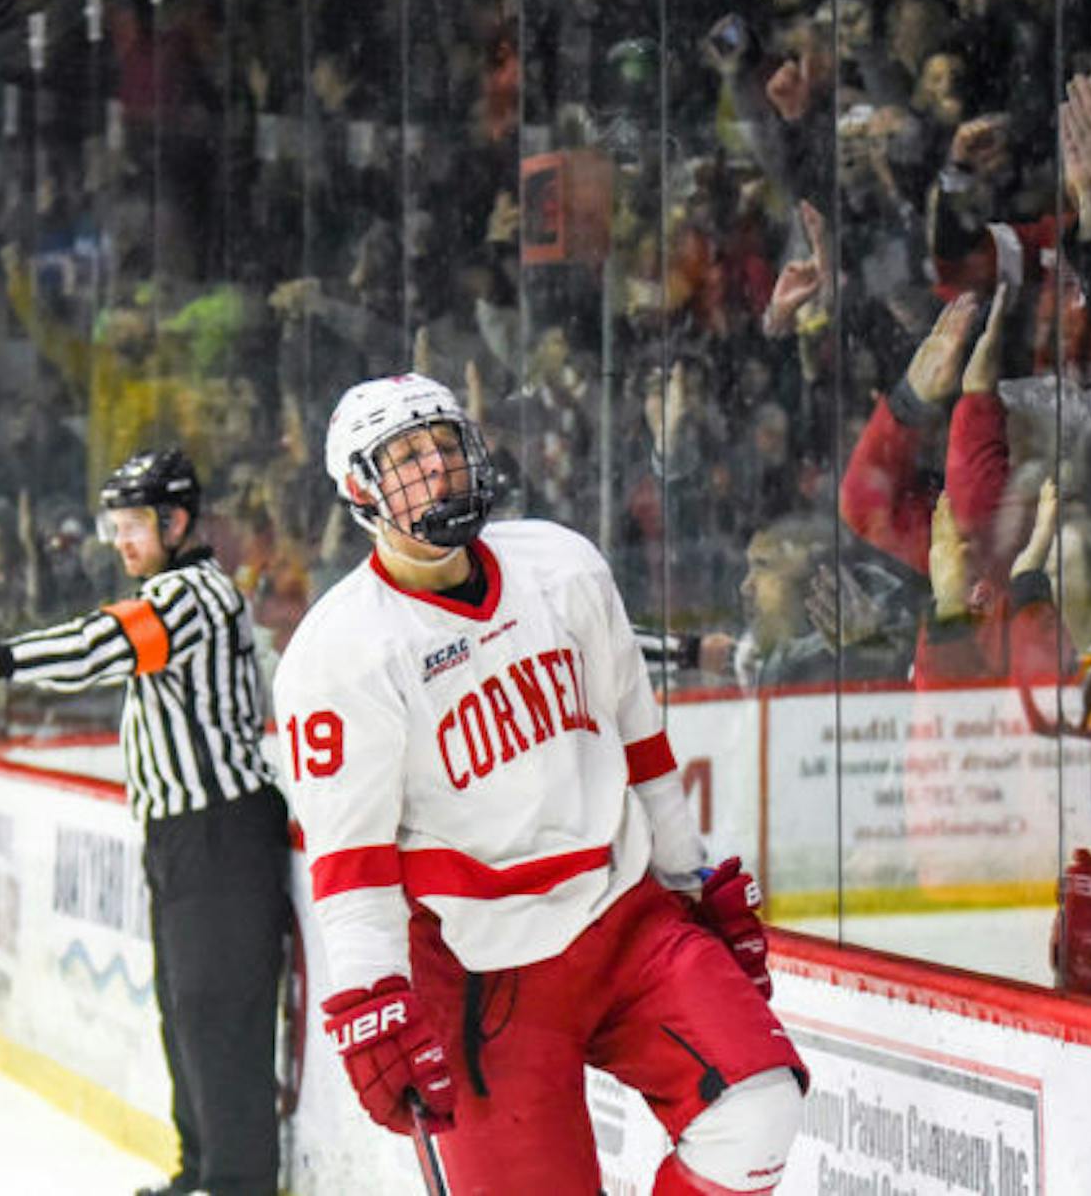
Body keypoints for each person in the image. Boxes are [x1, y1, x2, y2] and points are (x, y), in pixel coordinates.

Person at [271, 373, 805, 1194]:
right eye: (408, 458)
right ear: (359, 491)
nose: (439, 470)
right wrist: (372, 999)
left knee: (757, 1111)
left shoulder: (561, 566)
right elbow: (355, 869)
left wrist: (689, 879)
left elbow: (643, 746)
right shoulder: (338, 653)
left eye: (446, 446)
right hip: (485, 979)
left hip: (625, 918)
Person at [0, 449, 289, 1196]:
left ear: (177, 521)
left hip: (220, 833)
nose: (119, 540)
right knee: (184, 1011)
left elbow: (102, 645)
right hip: (182, 837)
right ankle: (201, 1170)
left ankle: (238, 1184)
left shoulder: (191, 595)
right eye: (114, 525)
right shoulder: (167, 589)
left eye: (133, 525)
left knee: (217, 1014)